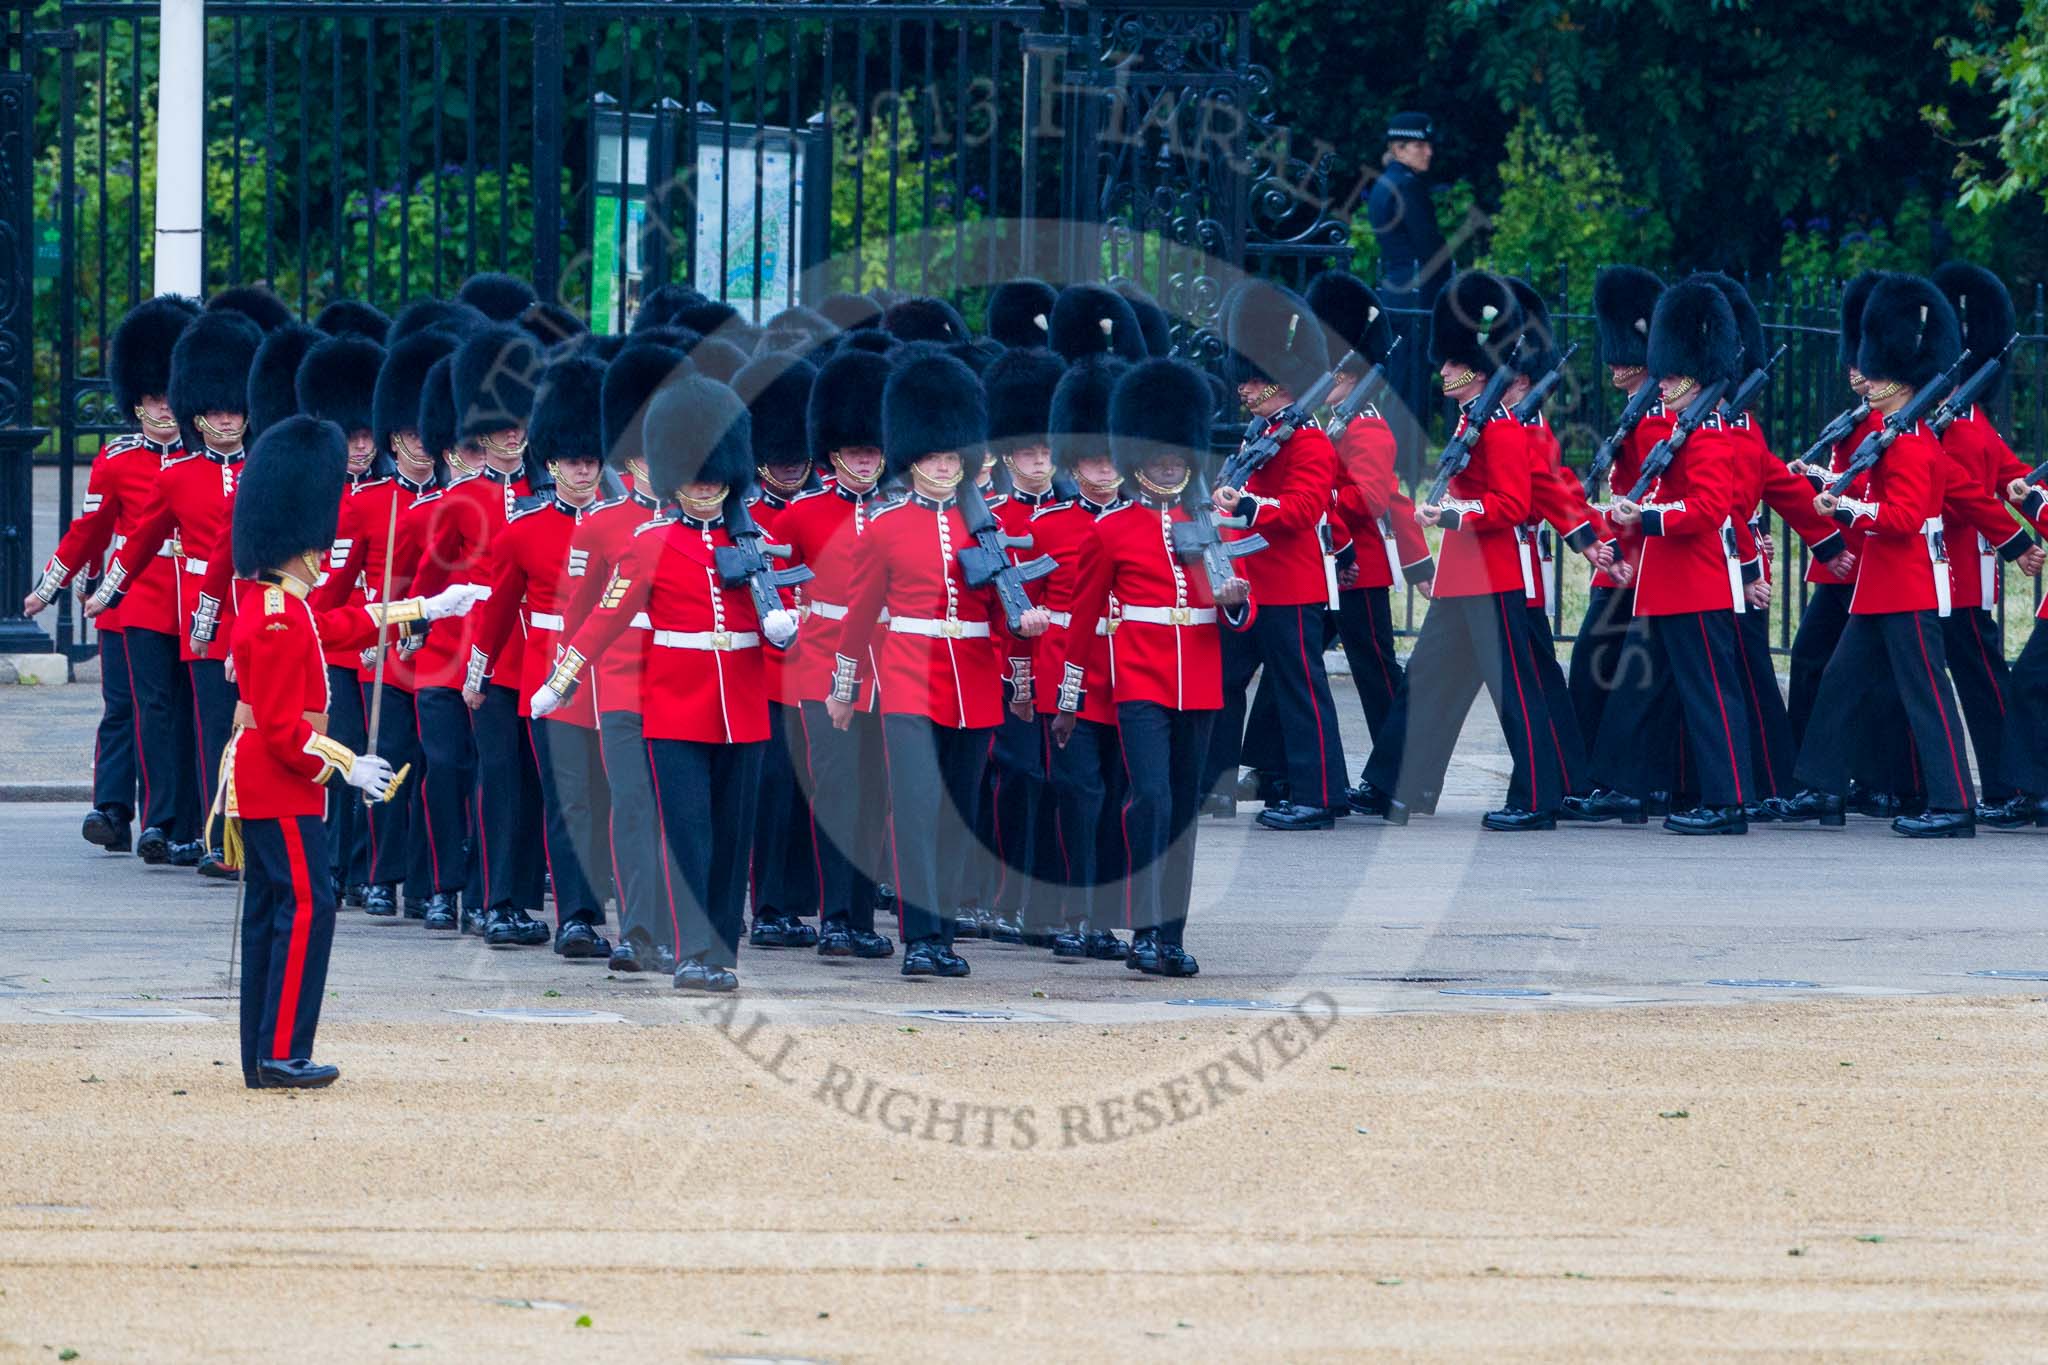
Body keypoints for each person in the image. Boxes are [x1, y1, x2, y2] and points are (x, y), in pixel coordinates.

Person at [221, 414, 485, 1088]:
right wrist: (347, 763)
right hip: (281, 782)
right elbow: (284, 729)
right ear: (300, 544)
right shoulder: (279, 615)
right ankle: (283, 1051)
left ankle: (264, 1051)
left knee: (272, 909)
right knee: (309, 904)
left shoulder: (278, 603)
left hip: (272, 782)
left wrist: (429, 605)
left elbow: (341, 625)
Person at [533, 375, 794, 993]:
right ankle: (689, 951)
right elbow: (605, 618)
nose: (705, 486)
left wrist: (784, 627)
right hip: (675, 705)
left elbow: (781, 621)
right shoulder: (650, 544)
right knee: (688, 835)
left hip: (744, 706)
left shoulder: (752, 542)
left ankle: (719, 948)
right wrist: (563, 681)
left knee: (733, 837)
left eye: (713, 475)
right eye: (695, 475)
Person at [826, 351, 1052, 978]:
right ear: (913, 461)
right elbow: (859, 616)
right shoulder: (885, 529)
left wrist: (1024, 639)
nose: (945, 468)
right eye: (934, 459)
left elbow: (1004, 614)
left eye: (953, 459)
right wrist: (844, 688)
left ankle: (944, 932)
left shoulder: (990, 528)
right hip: (907, 682)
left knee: (960, 816)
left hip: (974, 683)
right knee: (919, 811)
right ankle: (919, 938)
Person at [1051, 357, 1255, 976]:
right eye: (1159, 455)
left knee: (1183, 809)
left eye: (1177, 455)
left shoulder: (1208, 523)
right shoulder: (1113, 530)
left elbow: (1242, 611)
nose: (1170, 465)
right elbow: (1083, 622)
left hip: (1199, 683)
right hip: (1138, 681)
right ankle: (1143, 928)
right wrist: (1068, 699)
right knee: (1152, 801)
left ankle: (1171, 934)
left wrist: (1236, 601)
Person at [1351, 271, 1564, 829]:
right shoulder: (1473, 420)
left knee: (1515, 694)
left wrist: (1450, 514)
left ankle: (1539, 798)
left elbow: (1513, 504)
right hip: (1462, 577)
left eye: (1451, 362)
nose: (1442, 370)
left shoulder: (1501, 427)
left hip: (1494, 577)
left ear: (1474, 366)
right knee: (1425, 684)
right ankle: (1394, 785)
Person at [1772, 275, 1979, 837]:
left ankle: (1954, 803)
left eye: (1878, 372)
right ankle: (1823, 789)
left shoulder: (1911, 442)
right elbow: (1867, 493)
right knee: (1838, 682)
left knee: (1926, 692)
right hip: (1880, 587)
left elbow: (1903, 517)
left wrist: (1842, 511)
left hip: (1908, 583)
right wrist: (1822, 480)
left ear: (1901, 379)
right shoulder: (1891, 434)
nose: (1867, 381)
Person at [1572, 278, 1756, 835]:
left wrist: (1644, 517)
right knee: (1640, 690)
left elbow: (1707, 508)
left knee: (1710, 696)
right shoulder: (1680, 429)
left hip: (1696, 584)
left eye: (1673, 375)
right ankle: (1625, 788)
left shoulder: (1709, 433)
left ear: (1692, 378)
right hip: (1664, 583)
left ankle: (1728, 804)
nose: (1664, 382)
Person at [87, 307, 266, 879]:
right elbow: (139, 541)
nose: (227, 418)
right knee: (208, 728)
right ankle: (211, 836)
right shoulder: (178, 474)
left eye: (234, 408)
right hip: (205, 621)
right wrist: (107, 591)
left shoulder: (265, 467)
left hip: (265, 618)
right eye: (215, 410)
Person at [26, 293, 199, 858]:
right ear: (137, 401)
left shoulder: (204, 463)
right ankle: (116, 808)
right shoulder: (119, 459)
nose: (165, 408)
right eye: (154, 397)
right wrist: (54, 585)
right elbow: (91, 530)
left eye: (172, 396)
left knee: (180, 713)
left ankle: (169, 816)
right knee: (129, 706)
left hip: (194, 597)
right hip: (134, 599)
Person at [309, 326, 465, 918]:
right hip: (388, 653)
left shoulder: (463, 501)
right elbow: (338, 586)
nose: (419, 444)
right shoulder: (368, 503)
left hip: (446, 649)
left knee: (441, 774)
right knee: (391, 765)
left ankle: (433, 886)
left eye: (428, 433)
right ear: (394, 438)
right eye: (407, 434)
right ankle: (382, 874)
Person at [467, 352, 617, 958]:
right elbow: (497, 613)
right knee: (568, 798)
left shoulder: (626, 526)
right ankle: (576, 918)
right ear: (550, 462)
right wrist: (477, 677)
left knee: (606, 797)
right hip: (547, 677)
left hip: (612, 679)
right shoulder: (522, 531)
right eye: (572, 461)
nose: (582, 471)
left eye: (590, 460)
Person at [1203, 280, 1348, 831]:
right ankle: (1213, 785)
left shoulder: (1309, 440)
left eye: (1254, 381)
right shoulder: (1259, 433)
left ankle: (1320, 793)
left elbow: (1302, 509)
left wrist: (1246, 508)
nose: (1244, 390)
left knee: (1300, 691)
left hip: (1290, 585)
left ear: (1278, 382)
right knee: (1221, 682)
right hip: (1249, 583)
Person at [559, 339, 684, 972]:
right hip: (618, 687)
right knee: (634, 810)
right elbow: (578, 618)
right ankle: (639, 932)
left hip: (683, 686)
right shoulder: (601, 525)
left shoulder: (699, 527)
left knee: (682, 815)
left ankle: (681, 934)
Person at [776, 343, 900, 962]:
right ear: (834, 454)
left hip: (887, 669)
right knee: (837, 793)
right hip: (822, 667)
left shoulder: (900, 513)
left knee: (875, 797)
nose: (868, 461)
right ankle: (834, 918)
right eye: (857, 452)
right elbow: (773, 583)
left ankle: (861, 916)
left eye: (875, 451)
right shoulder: (801, 514)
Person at [1930, 262, 2043, 822]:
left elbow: (1996, 486)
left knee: (1983, 679)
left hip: (1960, 573)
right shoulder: (1937, 420)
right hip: (1927, 570)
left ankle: (2006, 785)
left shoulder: (1968, 426)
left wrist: (2022, 535)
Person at [1029, 355, 1133, 959]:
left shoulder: (1146, 522)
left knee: (1118, 794)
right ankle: (1075, 913)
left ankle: (1105, 911)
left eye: (1110, 456)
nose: (1103, 469)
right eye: (1092, 458)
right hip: (1066, 676)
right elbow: (1029, 612)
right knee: (1077, 793)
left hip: (1129, 673)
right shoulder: (1049, 527)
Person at [978, 344, 1070, 946]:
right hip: (1007, 665)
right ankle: (1001, 897)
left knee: (1058, 783)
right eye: (1028, 453)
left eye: (1045, 452)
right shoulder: (989, 516)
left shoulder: (1075, 514)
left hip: (1064, 664)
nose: (1038, 463)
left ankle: (1047, 901)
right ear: (1008, 456)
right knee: (1012, 779)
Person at [734, 353, 825, 950]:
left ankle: (792, 901)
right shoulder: (746, 514)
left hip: (816, 669)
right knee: (764, 793)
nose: (791, 465)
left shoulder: (821, 508)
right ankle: (764, 902)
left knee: (805, 791)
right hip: (762, 671)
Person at [1367, 111, 1451, 479]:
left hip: (1397, 291)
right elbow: (1429, 246)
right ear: (1398, 148)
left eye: (1428, 144)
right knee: (1411, 382)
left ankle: (1394, 461)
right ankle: (1406, 464)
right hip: (1417, 294)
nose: (1428, 152)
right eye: (1419, 145)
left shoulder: (1387, 182)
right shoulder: (1408, 186)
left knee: (1401, 380)